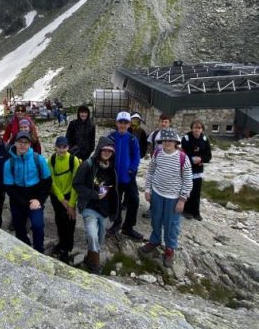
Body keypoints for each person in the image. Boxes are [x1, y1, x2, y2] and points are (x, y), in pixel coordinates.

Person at [140, 129, 193, 267]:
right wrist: (147, 190)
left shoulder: (183, 158)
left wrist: (182, 200)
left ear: (176, 142)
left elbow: (188, 180)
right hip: (157, 193)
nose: (167, 143)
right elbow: (151, 172)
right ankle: (155, 240)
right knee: (156, 219)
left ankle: (170, 249)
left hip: (174, 197)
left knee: (171, 224)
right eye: (164, 140)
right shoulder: (157, 153)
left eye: (170, 140)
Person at [73, 136, 118, 274]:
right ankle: (95, 264)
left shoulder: (112, 168)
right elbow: (77, 184)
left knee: (100, 237)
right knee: (92, 235)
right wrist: (94, 194)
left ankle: (89, 258)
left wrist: (114, 211)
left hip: (104, 208)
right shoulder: (87, 165)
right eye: (104, 150)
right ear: (99, 150)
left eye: (110, 151)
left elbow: (114, 190)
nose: (107, 153)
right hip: (89, 206)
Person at [3, 131, 52, 253]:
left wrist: (39, 200)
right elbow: (8, 187)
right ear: (15, 143)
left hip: (35, 197)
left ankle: (39, 250)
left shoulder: (38, 159)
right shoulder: (9, 163)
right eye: (20, 142)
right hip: (17, 198)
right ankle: (25, 249)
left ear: (30, 144)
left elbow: (47, 182)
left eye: (26, 142)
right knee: (19, 228)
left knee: (38, 225)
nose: (23, 145)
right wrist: (25, 203)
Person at [107, 111, 143, 240]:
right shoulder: (111, 137)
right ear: (116, 123)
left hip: (128, 177)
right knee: (116, 202)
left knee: (134, 200)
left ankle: (128, 227)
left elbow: (136, 156)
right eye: (120, 122)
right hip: (114, 176)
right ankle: (116, 224)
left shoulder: (132, 139)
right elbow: (103, 152)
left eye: (125, 122)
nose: (122, 125)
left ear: (129, 124)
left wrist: (132, 169)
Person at [49, 136, 81, 263]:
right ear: (55, 147)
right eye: (59, 147)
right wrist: (62, 200)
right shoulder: (51, 160)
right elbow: (51, 181)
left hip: (70, 194)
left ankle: (67, 247)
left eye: (64, 147)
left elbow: (76, 182)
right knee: (59, 219)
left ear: (68, 147)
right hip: (57, 195)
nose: (62, 150)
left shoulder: (74, 160)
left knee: (69, 220)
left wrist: (71, 204)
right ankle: (62, 243)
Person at [181, 119, 213, 221]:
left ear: (202, 129)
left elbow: (209, 156)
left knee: (196, 191)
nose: (197, 130)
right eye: (195, 127)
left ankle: (196, 212)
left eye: (199, 128)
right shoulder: (186, 138)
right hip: (187, 168)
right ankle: (186, 210)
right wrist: (191, 159)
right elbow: (183, 154)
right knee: (187, 189)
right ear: (191, 128)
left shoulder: (205, 139)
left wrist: (201, 159)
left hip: (198, 169)